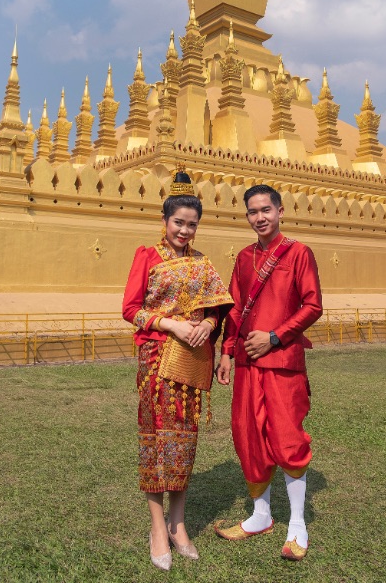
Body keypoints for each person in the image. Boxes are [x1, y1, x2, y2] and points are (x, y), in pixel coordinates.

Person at [123, 171, 233, 571]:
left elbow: (219, 308)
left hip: (191, 362)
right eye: (179, 222)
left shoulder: (203, 265)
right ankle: (157, 528)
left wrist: (208, 325)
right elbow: (130, 309)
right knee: (156, 440)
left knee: (184, 442)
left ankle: (178, 523)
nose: (185, 230)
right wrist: (169, 324)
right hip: (155, 361)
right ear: (165, 222)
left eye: (192, 224)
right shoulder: (147, 256)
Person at [216, 184, 322, 561]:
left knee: (287, 438)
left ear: (280, 212)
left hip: (282, 362)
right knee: (248, 435)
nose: (259, 217)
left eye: (266, 210)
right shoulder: (244, 258)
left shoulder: (298, 254)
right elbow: (234, 310)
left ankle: (297, 524)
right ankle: (261, 515)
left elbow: (313, 305)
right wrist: (227, 352)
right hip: (246, 361)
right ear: (247, 216)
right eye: (252, 212)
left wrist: (275, 337)